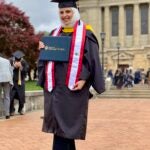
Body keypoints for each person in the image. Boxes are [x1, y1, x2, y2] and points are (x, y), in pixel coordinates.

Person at [38, 0, 105, 149]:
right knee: (62, 131)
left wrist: (83, 78)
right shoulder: (54, 34)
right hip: (55, 90)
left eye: (68, 11)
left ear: (75, 12)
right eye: (61, 12)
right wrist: (42, 49)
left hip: (73, 90)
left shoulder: (86, 34)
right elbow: (45, 60)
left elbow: (91, 60)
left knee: (65, 128)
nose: (65, 15)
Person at [10, 50, 28, 116]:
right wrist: (13, 67)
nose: (18, 59)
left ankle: (20, 109)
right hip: (13, 82)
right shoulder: (11, 61)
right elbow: (8, 70)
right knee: (11, 96)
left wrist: (21, 67)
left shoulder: (24, 62)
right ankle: (11, 110)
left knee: (21, 97)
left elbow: (25, 72)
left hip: (21, 82)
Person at [0, 54, 13, 119]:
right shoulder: (6, 61)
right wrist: (11, 81)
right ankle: (7, 114)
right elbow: (11, 71)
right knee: (7, 96)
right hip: (7, 79)